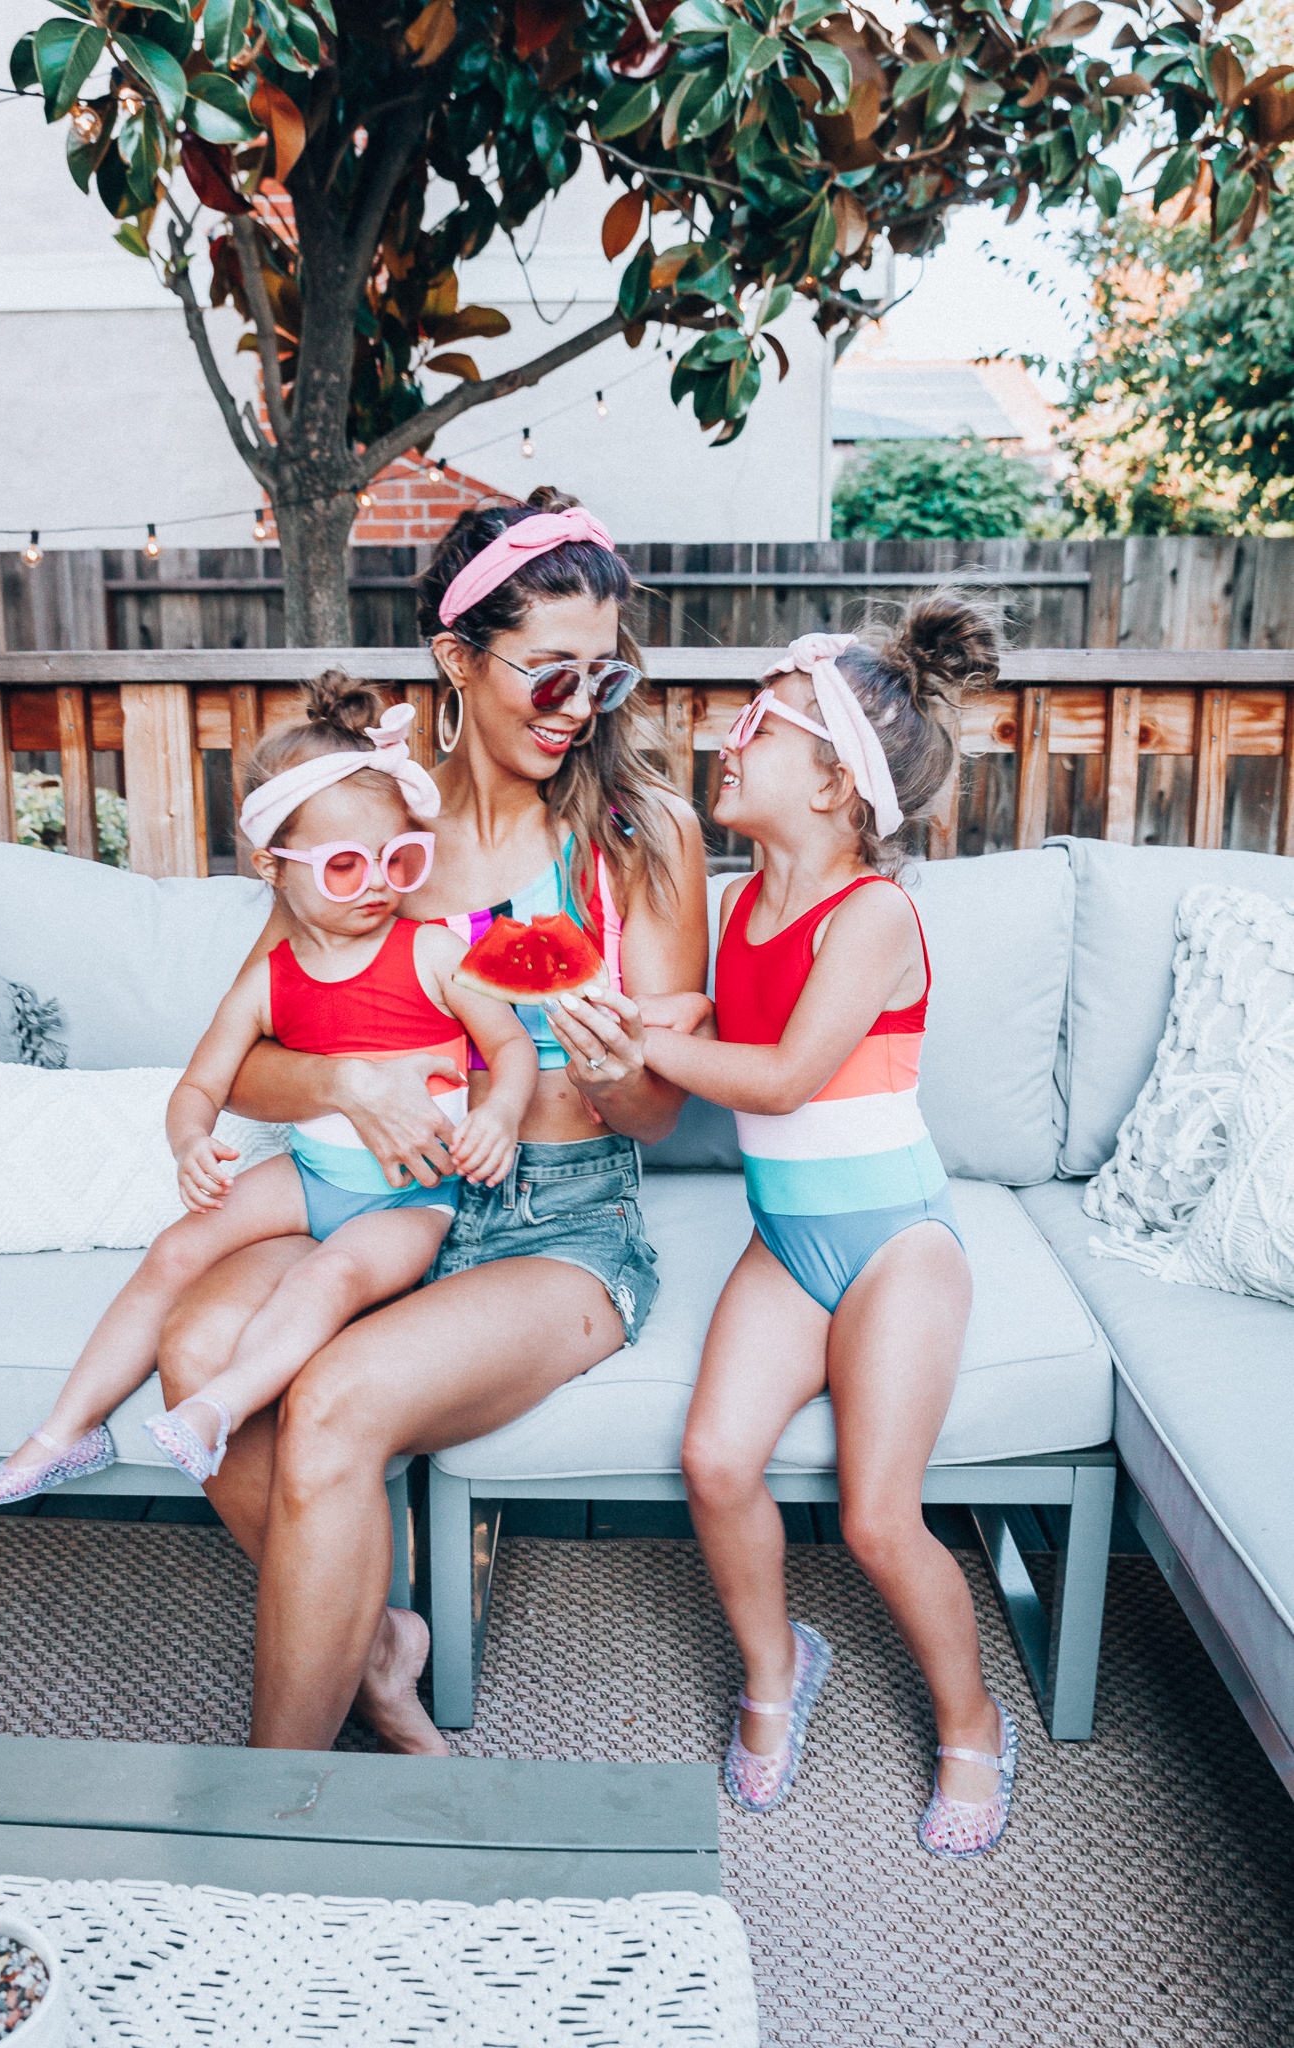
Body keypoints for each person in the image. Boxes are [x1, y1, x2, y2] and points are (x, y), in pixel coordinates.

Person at [152, 489, 709, 1754]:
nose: (575, 709)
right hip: (389, 1202)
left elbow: (662, 1111)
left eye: (602, 679)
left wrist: (616, 1064)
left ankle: (273, 1813)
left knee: (337, 1397)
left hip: (558, 1225)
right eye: (547, 674)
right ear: (458, 660)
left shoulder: (644, 837)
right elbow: (244, 1061)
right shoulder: (375, 822)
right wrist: (349, 1084)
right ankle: (381, 1640)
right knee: (195, 1345)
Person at [637, 600, 1016, 1859]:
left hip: (893, 1248)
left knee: (872, 1516)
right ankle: (775, 1663)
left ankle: (970, 1724)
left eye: (761, 719)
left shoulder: (873, 917)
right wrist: (623, 1020)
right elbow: (700, 1017)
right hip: (786, 1240)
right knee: (715, 1460)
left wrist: (655, 1042)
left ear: (839, 783)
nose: (725, 735)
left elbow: (788, 1074)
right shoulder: (743, 900)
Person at [0, 674, 536, 1507]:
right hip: (310, 1174)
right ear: (273, 867)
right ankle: (65, 1431)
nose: (379, 883)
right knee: (176, 1250)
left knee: (327, 1279)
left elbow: (510, 1046)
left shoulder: (432, 954)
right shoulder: (267, 981)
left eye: (398, 858)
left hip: (414, 1199)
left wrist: (498, 1113)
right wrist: (189, 1142)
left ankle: (213, 1407)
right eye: (344, 866)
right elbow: (202, 1084)